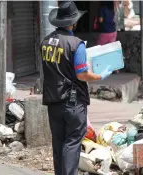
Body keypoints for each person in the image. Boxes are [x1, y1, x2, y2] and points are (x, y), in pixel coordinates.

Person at [42, 2, 112, 175]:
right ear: (73, 23)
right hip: (72, 102)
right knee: (72, 142)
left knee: (58, 142)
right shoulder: (76, 44)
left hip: (52, 100)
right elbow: (82, 74)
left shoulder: (45, 42)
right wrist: (99, 76)